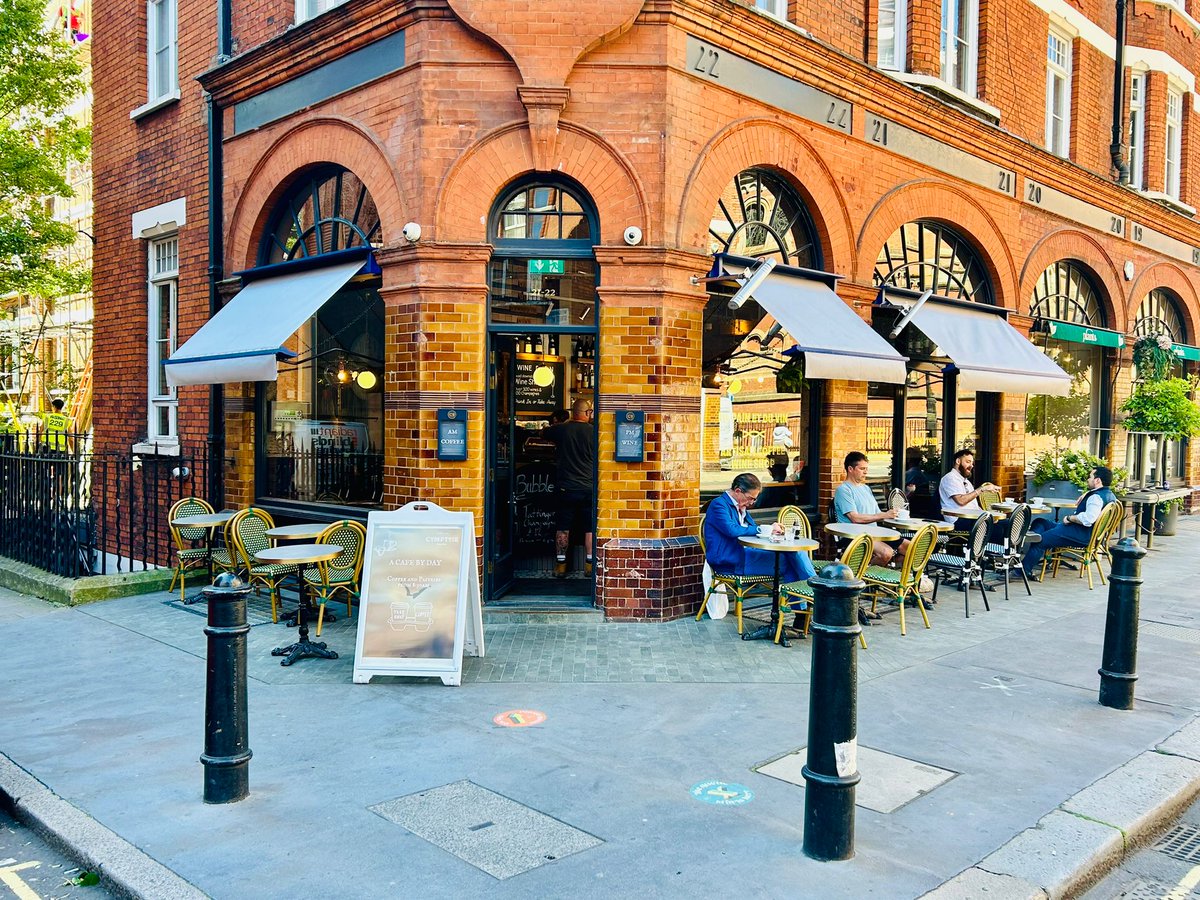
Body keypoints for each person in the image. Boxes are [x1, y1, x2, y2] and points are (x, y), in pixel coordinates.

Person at [704, 472, 816, 591]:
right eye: (750, 498)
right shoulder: (719, 505)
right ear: (737, 491)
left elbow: (750, 531)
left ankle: (810, 598)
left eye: (754, 499)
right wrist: (763, 529)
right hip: (729, 561)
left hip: (744, 554)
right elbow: (732, 530)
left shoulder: (740, 506)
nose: (752, 503)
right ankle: (817, 592)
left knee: (794, 553)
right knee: (789, 562)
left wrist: (771, 532)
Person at [1022, 467, 1117, 578]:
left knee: (1040, 540)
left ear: (1097, 480)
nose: (1087, 479)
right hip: (1083, 533)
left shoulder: (1095, 497)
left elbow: (1088, 519)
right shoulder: (1109, 495)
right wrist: (1088, 493)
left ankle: (1023, 570)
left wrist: (1069, 518)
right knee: (1040, 522)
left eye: (1090, 477)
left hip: (1080, 534)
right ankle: (1030, 560)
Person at [544, 399, 594, 577]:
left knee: (563, 526)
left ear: (573, 413)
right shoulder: (594, 432)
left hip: (566, 487)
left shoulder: (562, 429)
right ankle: (589, 565)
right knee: (590, 527)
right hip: (588, 487)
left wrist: (566, 422)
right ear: (587, 413)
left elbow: (544, 432)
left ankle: (561, 565)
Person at [832, 451, 910, 566]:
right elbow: (855, 518)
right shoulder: (844, 490)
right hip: (855, 535)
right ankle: (866, 578)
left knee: (912, 548)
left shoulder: (866, 488)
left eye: (866, 468)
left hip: (875, 533)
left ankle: (884, 575)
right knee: (886, 553)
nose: (866, 472)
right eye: (862, 468)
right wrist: (883, 515)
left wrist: (894, 515)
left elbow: (877, 514)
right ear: (850, 469)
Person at [939, 449, 1004, 537]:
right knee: (998, 530)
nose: (971, 466)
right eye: (968, 462)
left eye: (972, 463)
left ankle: (1008, 549)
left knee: (1007, 524)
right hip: (958, 521)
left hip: (971, 518)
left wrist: (989, 516)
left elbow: (974, 506)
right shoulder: (949, 478)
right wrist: (982, 489)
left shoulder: (967, 482)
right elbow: (961, 501)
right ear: (958, 461)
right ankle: (990, 550)